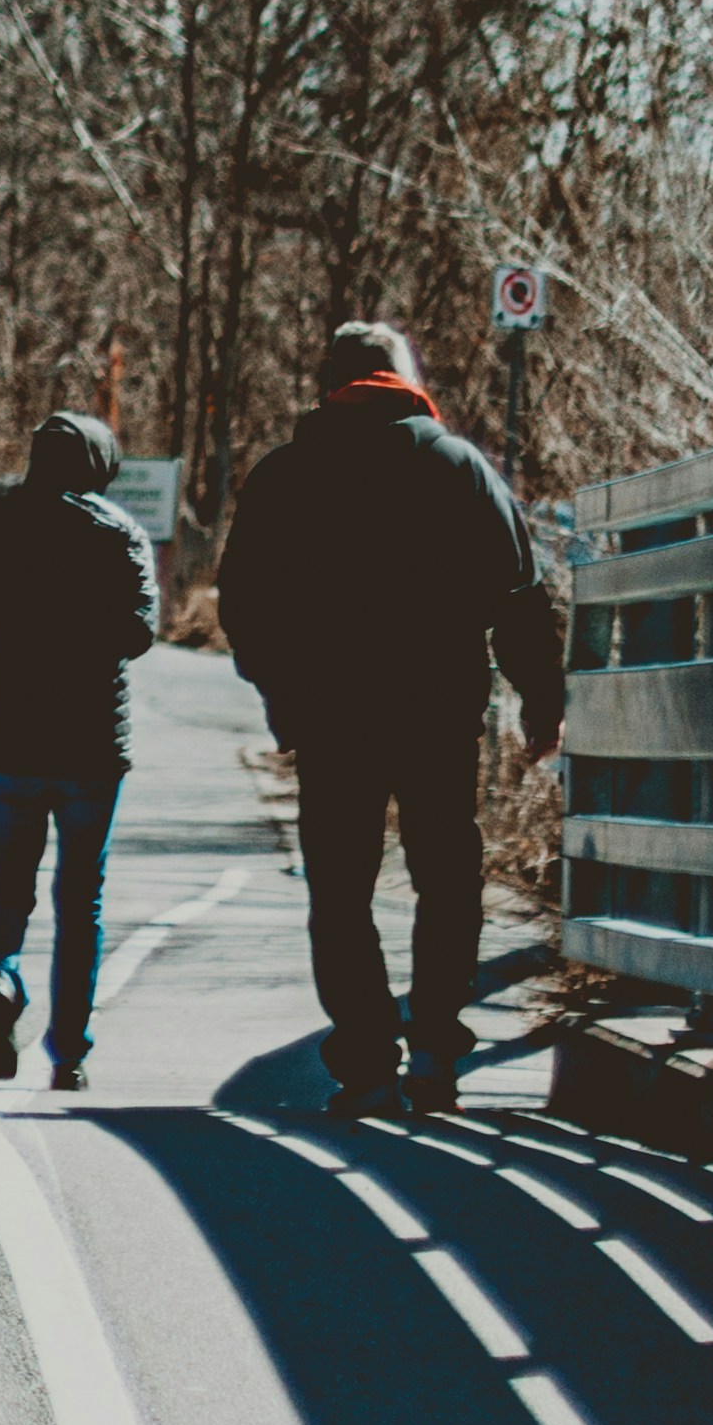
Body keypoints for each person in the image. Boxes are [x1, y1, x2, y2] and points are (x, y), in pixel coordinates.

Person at [216, 317, 567, 1118]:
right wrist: (541, 703)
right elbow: (520, 597)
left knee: (341, 891)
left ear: (331, 384)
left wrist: (282, 692)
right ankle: (437, 1044)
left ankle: (367, 1061)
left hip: (333, 716)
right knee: (448, 879)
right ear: (409, 380)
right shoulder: (461, 467)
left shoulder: (288, 474)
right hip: (440, 714)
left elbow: (244, 602)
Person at [0, 406, 161, 1090]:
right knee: (82, 898)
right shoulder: (120, 534)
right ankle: (70, 1051)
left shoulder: (1, 521)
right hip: (90, 748)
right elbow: (139, 632)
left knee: (8, 888)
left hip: (9, 741)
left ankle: (1, 978)